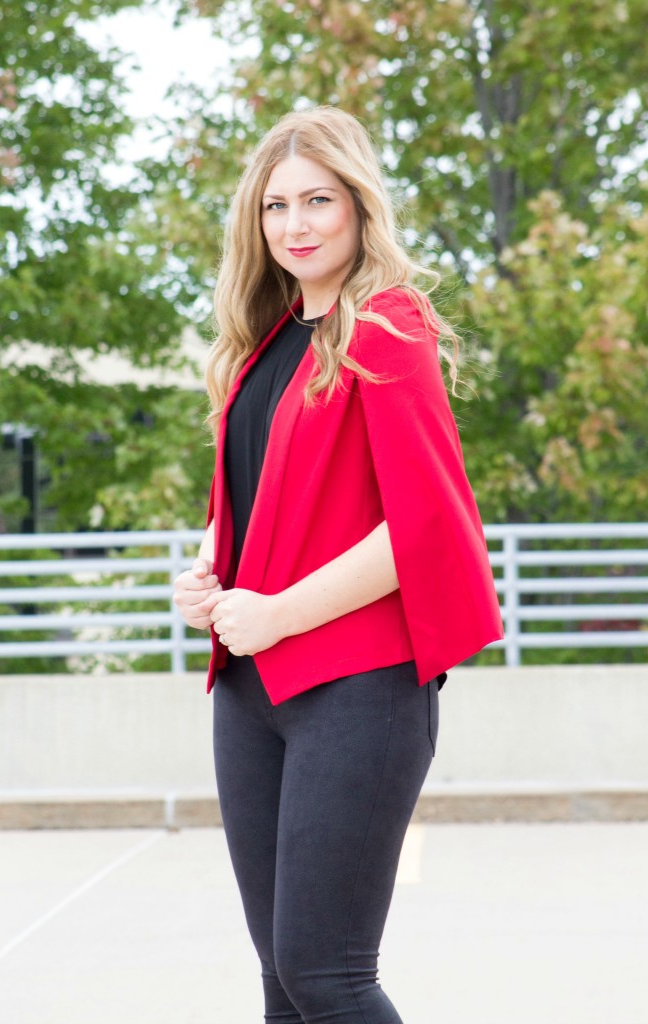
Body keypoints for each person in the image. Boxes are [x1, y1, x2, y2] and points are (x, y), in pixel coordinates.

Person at [173, 106, 503, 1024]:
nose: (296, 224)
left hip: (357, 685)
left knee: (328, 974)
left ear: (358, 207)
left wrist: (275, 613)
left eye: (318, 199)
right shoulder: (265, 343)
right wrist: (210, 569)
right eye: (276, 205)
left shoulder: (388, 330)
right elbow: (259, 492)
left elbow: (422, 527)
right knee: (282, 978)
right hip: (250, 694)